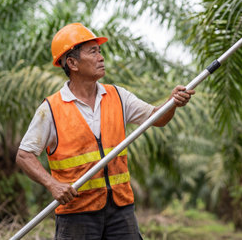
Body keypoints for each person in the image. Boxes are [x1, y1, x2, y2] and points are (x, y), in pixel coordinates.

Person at [16, 23, 195, 240]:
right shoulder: (51, 109)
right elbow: (24, 155)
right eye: (93, 52)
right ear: (72, 63)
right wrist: (53, 184)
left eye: (100, 51)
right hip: (77, 214)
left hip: (120, 209)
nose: (101, 57)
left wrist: (172, 103)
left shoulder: (118, 96)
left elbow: (157, 119)